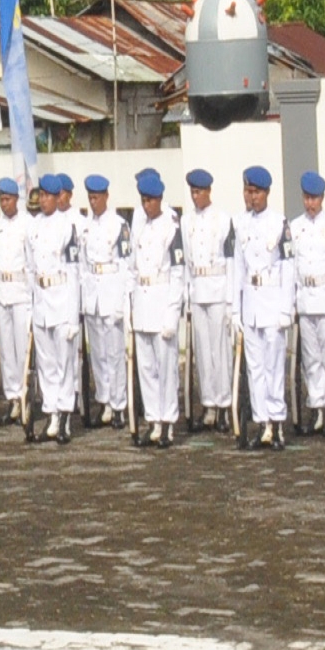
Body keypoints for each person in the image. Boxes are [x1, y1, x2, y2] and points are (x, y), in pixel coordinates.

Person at [126, 169, 187, 447]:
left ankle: (168, 422)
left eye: (150, 200)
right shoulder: (139, 225)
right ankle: (153, 419)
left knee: (166, 369)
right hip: (142, 304)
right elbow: (131, 269)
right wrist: (129, 308)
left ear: (160, 199)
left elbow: (177, 273)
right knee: (147, 369)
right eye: (143, 200)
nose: (146, 205)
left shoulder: (172, 227)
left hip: (163, 303)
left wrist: (172, 314)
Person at [237, 167, 294, 449]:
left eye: (256, 192)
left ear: (267, 193)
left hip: (273, 302)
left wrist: (286, 308)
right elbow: (237, 269)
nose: (252, 197)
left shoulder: (280, 224)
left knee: (273, 366)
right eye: (248, 191)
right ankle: (262, 423)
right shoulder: (240, 224)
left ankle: (277, 420)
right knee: (255, 368)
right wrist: (235, 310)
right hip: (251, 303)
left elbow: (288, 267)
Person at [288, 172, 325, 436]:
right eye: (306, 198)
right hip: (305, 297)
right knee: (310, 358)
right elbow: (291, 267)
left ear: (322, 198)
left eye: (314, 198)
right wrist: (291, 302)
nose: (310, 203)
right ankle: (317, 406)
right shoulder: (295, 227)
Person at [26, 174, 83, 441]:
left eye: (49, 196)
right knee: (46, 364)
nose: (44, 200)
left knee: (64, 363)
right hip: (41, 303)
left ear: (57, 196)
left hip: (62, 301)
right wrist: (31, 306)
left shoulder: (67, 226)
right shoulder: (33, 226)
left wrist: (73, 317)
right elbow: (29, 269)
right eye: (42, 196)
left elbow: (74, 274)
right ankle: (51, 414)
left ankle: (65, 416)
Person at [183, 169, 239, 433]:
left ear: (208, 192)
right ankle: (208, 404)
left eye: (199, 192)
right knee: (203, 352)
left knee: (220, 351)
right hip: (198, 290)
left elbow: (230, 261)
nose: (196, 197)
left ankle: (225, 405)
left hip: (218, 290)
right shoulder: (186, 221)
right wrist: (186, 297)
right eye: (193, 192)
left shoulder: (223, 219)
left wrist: (230, 301)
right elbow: (184, 263)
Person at [76, 175, 130, 432]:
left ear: (106, 196)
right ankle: (105, 402)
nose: (93, 202)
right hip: (93, 298)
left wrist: (122, 301)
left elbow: (125, 265)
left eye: (97, 197)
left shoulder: (119, 225)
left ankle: (119, 405)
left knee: (115, 354)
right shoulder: (86, 227)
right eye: (90, 198)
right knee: (98, 354)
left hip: (111, 294)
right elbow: (83, 266)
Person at [0, 177, 35, 430]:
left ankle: (25, 396)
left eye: (8, 199)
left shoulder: (28, 225)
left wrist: (33, 296)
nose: (4, 204)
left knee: (21, 348)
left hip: (21, 292)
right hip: (1, 292)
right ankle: (13, 399)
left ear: (16, 199)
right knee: (6, 351)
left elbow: (32, 264)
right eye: (1, 200)